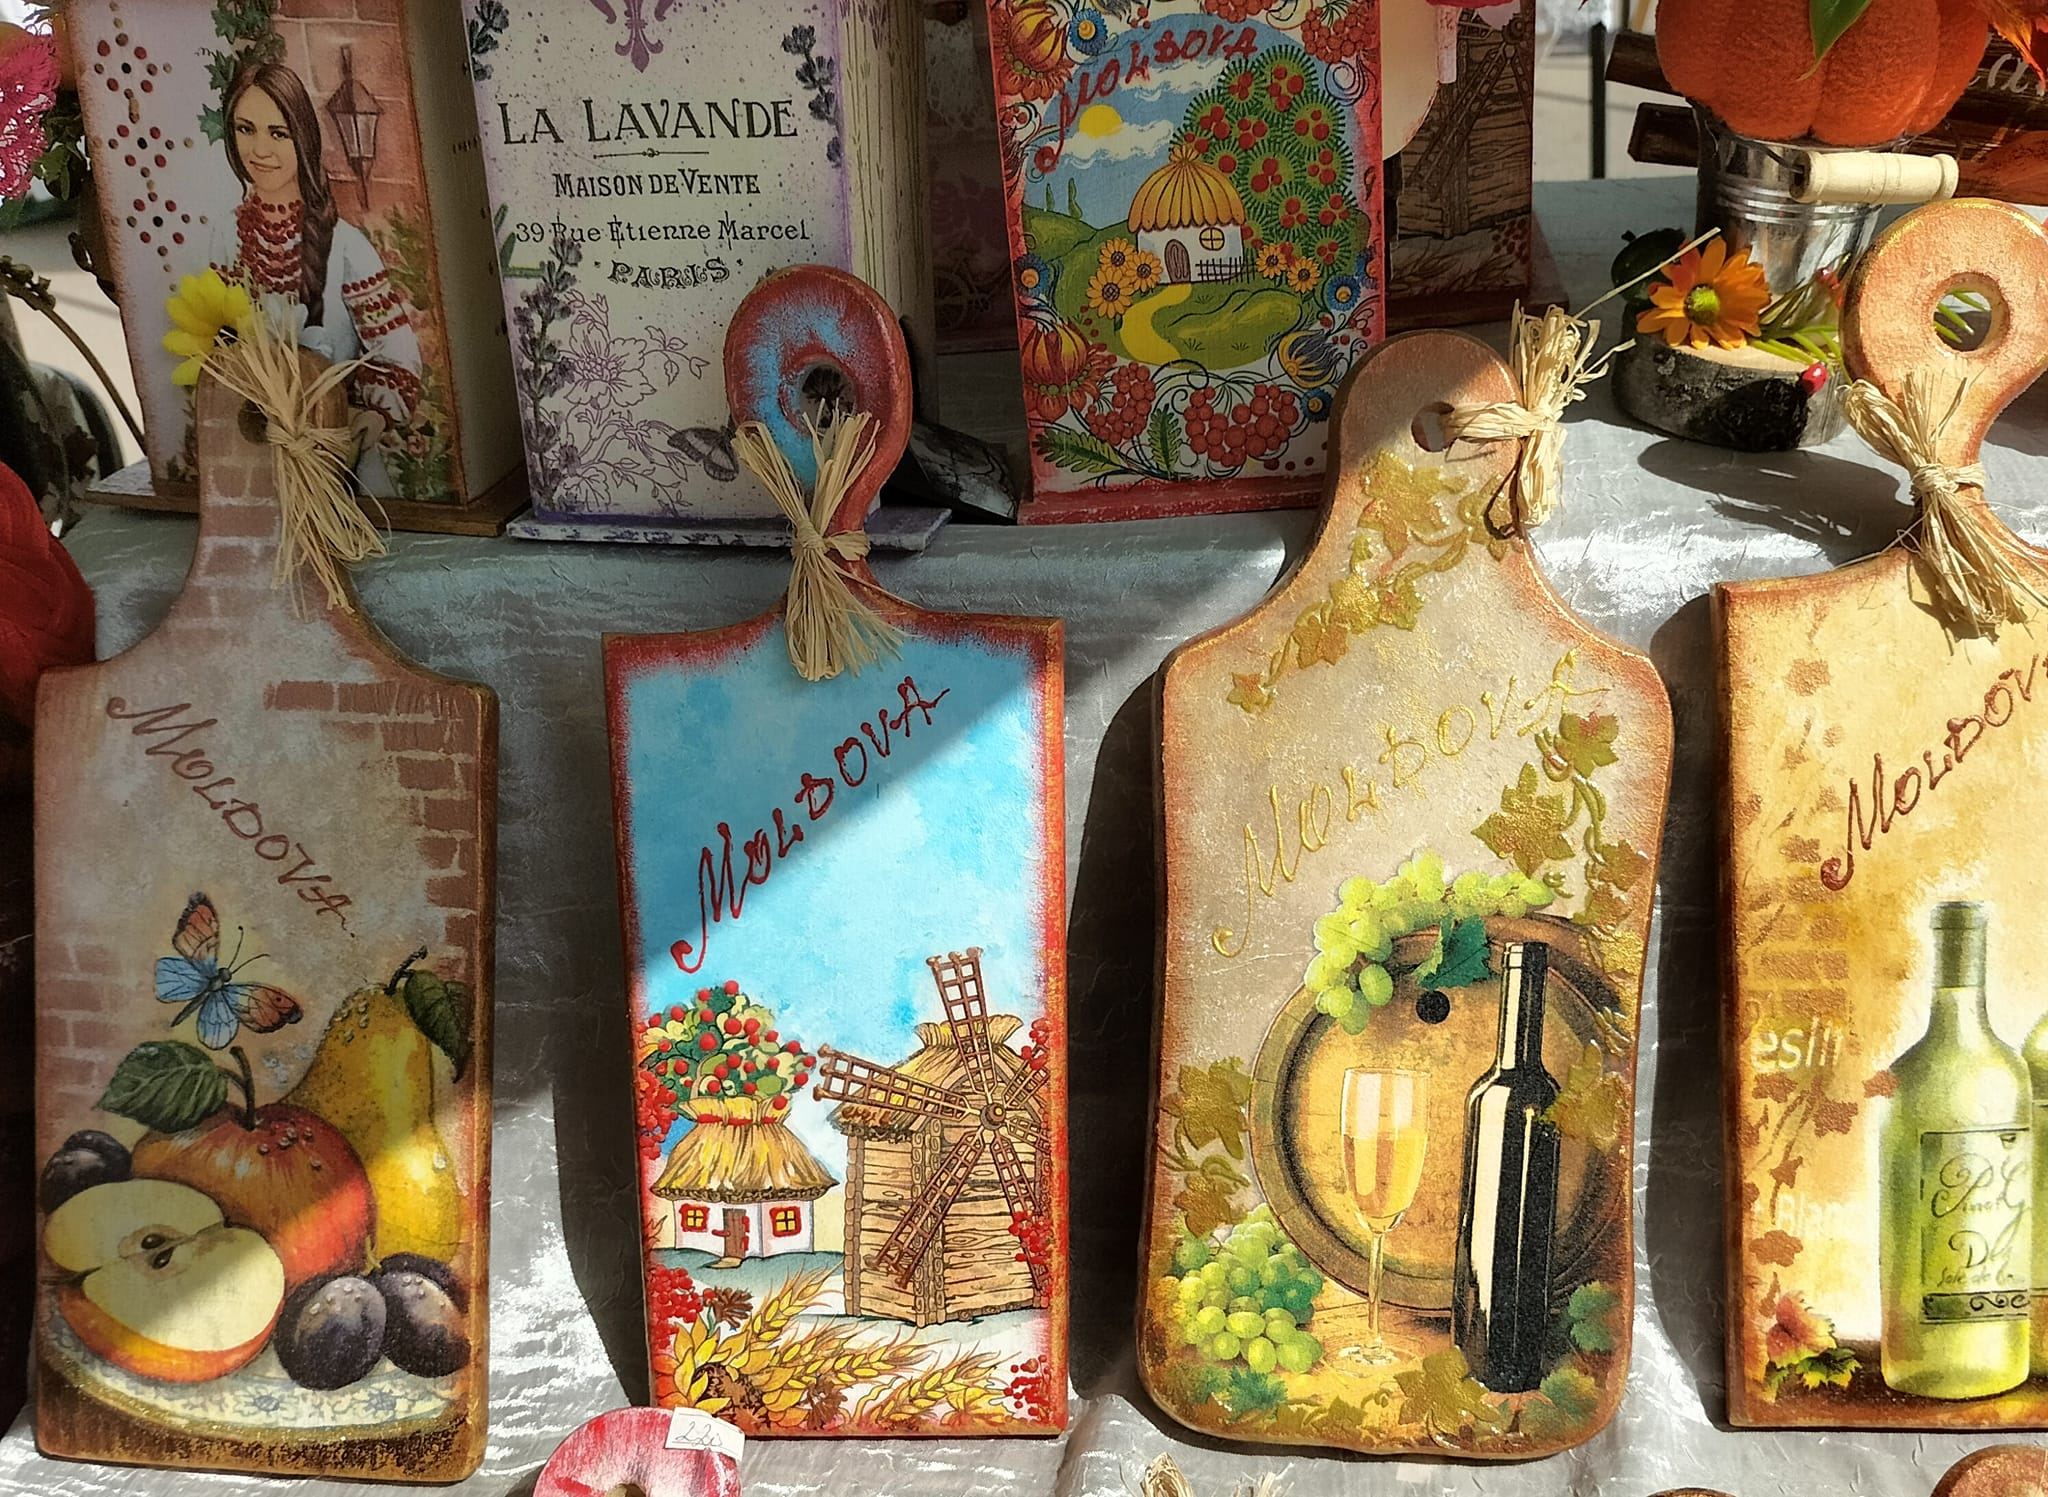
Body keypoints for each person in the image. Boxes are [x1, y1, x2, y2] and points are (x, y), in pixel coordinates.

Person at [212, 56, 423, 493]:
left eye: (278, 133)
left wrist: (370, 419)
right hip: (257, 460)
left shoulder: (346, 245)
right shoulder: (224, 237)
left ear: (303, 138)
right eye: (245, 129)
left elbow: (395, 353)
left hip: (341, 462)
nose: (260, 150)